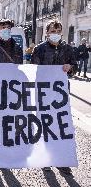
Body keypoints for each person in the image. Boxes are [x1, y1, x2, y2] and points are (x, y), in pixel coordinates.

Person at [31, 19, 77, 175]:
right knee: (45, 125)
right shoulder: (39, 49)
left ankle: (61, 160)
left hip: (60, 96)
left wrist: (70, 67)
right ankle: (46, 158)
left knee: (61, 125)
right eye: (52, 31)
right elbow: (34, 70)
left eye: (58, 32)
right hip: (43, 94)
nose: (55, 34)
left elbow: (74, 66)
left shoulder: (68, 49)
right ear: (47, 33)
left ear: (61, 33)